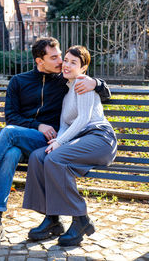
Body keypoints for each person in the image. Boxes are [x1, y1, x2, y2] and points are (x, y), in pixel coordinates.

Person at [0, 37, 111, 248]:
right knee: (10, 151)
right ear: (40, 61)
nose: (61, 62)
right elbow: (11, 117)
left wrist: (97, 83)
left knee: (10, 134)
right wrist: (37, 125)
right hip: (31, 138)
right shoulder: (19, 82)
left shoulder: (64, 81)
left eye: (64, 58)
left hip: (50, 142)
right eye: (56, 57)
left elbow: (93, 89)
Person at [22, 45, 117, 247]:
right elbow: (65, 125)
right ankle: (52, 218)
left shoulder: (84, 84)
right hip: (80, 140)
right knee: (39, 157)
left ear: (83, 69)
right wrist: (56, 142)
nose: (66, 65)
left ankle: (81, 218)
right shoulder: (68, 91)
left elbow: (83, 120)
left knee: (56, 158)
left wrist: (59, 143)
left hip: (100, 139)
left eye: (73, 62)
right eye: (65, 60)